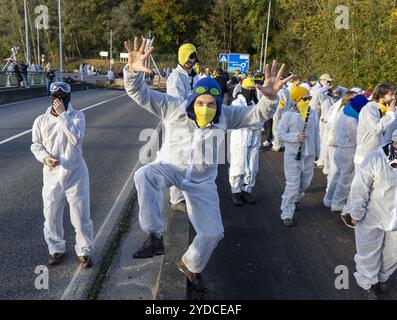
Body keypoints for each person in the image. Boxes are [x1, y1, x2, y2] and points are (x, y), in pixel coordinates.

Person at [124, 37, 292, 291]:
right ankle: (154, 236)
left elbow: (256, 114)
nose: (205, 109)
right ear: (192, 101)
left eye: (211, 105)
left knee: (214, 233)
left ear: (218, 105)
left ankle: (190, 265)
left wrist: (268, 99)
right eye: (200, 103)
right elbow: (140, 94)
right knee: (144, 175)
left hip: (202, 181)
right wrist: (132, 72)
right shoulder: (174, 108)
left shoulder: (226, 115)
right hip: (170, 167)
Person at [31, 82, 95, 269]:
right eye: (56, 98)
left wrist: (62, 116)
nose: (59, 101)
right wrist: (44, 157)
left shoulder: (77, 116)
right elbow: (35, 144)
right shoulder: (40, 121)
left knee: (80, 215)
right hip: (52, 174)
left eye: (63, 98)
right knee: (51, 213)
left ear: (69, 98)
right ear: (51, 98)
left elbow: (75, 139)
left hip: (75, 172)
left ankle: (84, 251)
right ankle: (56, 249)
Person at [348, 127, 397, 299]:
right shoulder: (375, 159)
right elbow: (360, 187)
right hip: (372, 216)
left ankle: (382, 277)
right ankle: (366, 284)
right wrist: (356, 212)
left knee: (395, 253)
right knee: (369, 254)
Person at [278, 86, 320, 227]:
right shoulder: (288, 115)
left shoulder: (312, 113)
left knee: (305, 183)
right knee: (292, 185)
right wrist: (296, 137)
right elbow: (281, 133)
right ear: (297, 100)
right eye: (305, 99)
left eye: (309, 98)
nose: (308, 101)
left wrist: (317, 151)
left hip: (308, 154)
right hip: (292, 155)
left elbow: (316, 133)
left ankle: (296, 198)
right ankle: (287, 213)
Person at [166, 42, 199, 213]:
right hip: (178, 126)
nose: (190, 60)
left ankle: (183, 194)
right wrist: (194, 100)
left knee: (188, 161)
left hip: (192, 126)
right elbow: (176, 103)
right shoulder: (176, 77)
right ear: (181, 56)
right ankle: (175, 199)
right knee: (178, 161)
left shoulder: (194, 76)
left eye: (193, 56)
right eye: (187, 56)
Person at [329, 95, 368, 227]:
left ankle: (329, 199)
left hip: (340, 149)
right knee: (345, 180)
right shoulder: (353, 120)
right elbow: (359, 136)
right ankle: (337, 204)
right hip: (348, 150)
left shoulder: (345, 112)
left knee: (337, 176)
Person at [229, 78, 262, 206]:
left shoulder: (255, 103)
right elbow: (240, 120)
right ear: (242, 88)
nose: (250, 91)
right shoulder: (236, 103)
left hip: (254, 139)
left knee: (252, 167)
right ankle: (235, 192)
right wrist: (253, 123)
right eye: (248, 88)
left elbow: (261, 120)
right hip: (240, 138)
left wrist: (253, 124)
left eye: (252, 89)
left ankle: (246, 190)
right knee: (238, 165)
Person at [353, 84, 397, 173]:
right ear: (380, 95)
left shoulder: (387, 109)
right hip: (365, 154)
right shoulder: (369, 109)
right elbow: (375, 129)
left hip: (379, 155)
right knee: (362, 186)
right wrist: (389, 115)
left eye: (394, 94)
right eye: (391, 95)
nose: (394, 97)